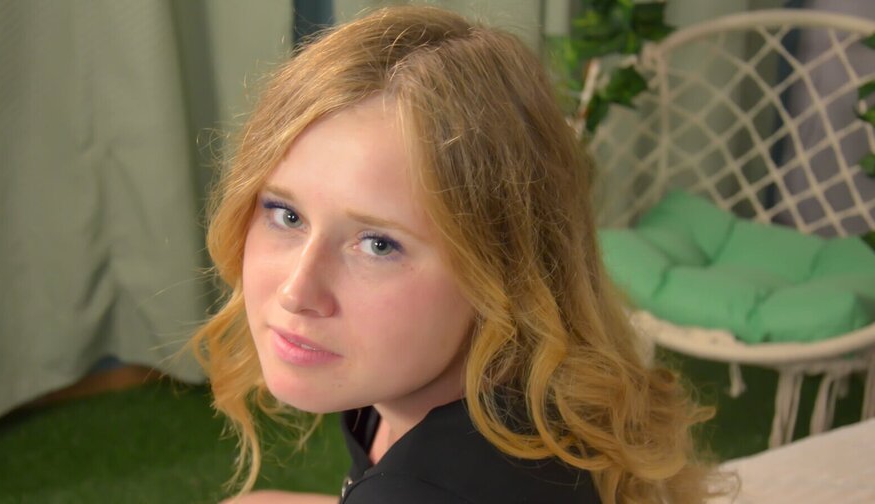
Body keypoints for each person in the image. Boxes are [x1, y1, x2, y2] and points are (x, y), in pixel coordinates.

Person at [191, 5, 718, 503]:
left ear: (503, 269)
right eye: (287, 215)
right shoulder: (510, 382)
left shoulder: (427, 486)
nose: (297, 291)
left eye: (378, 245)